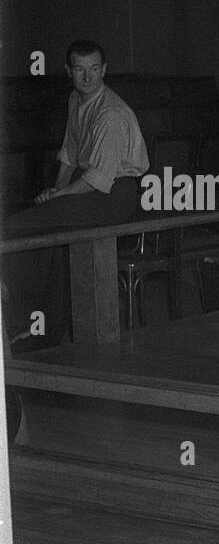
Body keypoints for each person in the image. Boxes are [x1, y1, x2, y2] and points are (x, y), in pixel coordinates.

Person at [4, 39, 149, 351]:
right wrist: (57, 189)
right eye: (80, 70)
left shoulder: (110, 113)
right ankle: (39, 335)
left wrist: (58, 198)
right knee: (52, 244)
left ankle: (14, 321)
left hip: (113, 196)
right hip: (86, 191)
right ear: (69, 71)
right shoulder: (76, 99)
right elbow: (69, 156)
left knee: (14, 227)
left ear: (104, 70)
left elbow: (97, 179)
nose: (87, 77)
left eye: (94, 69)